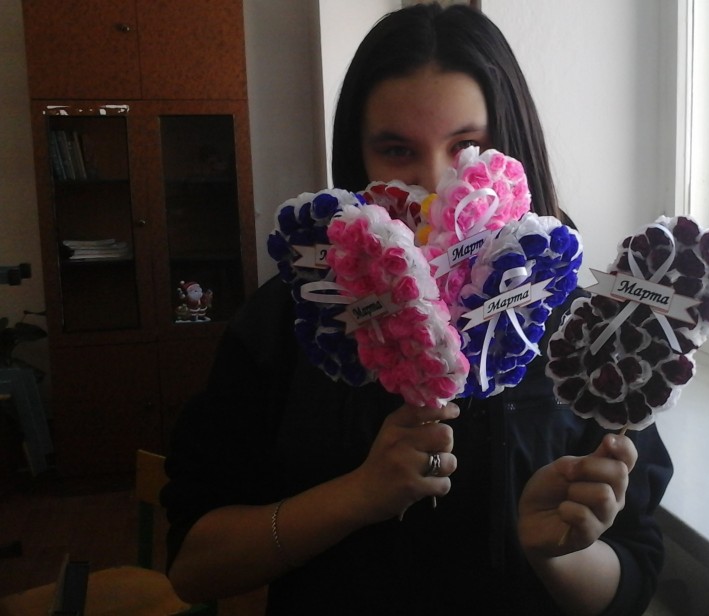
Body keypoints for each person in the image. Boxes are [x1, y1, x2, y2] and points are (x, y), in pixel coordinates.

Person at [161, 4, 673, 615]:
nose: (435, 189)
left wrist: (556, 552)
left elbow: (633, 577)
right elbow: (193, 567)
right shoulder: (292, 320)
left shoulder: (579, 332)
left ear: (511, 152)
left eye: (468, 146)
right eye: (397, 150)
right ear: (358, 160)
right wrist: (355, 497)